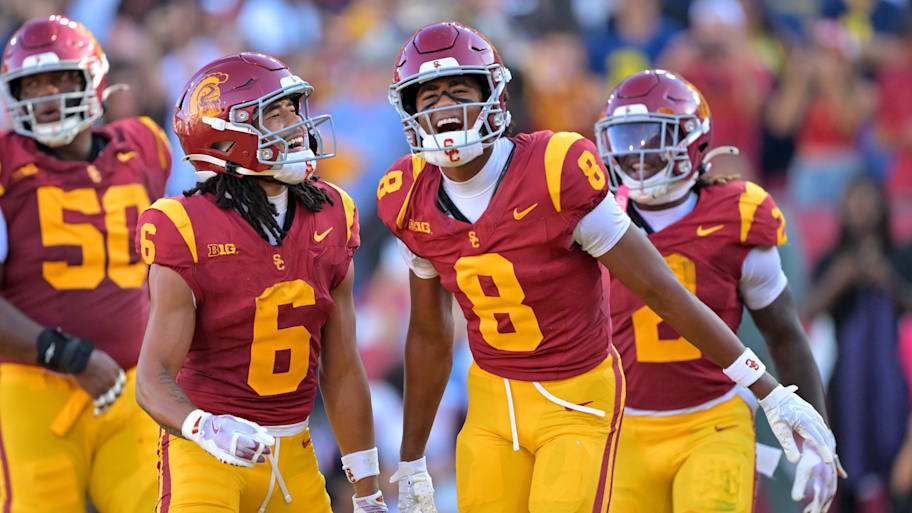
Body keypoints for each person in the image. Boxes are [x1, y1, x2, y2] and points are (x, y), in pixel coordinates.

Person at [376, 21, 840, 513]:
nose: (445, 111)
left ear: (495, 94)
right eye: (428, 98)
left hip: (583, 399)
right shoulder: (405, 195)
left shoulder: (557, 169)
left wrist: (769, 391)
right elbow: (428, 334)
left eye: (458, 92)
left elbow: (665, 293)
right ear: (408, 111)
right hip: (494, 403)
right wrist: (412, 458)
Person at [133, 52, 387, 513]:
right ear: (226, 139)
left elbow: (343, 369)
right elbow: (152, 377)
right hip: (207, 455)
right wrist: (203, 426)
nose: (295, 123)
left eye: (293, 108)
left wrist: (367, 488)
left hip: (296, 457)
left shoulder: (333, 213)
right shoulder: (183, 227)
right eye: (275, 112)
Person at [595, 69, 846, 513]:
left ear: (691, 138)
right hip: (621, 429)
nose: (637, 154)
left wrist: (815, 436)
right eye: (627, 138)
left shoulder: (739, 216)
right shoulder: (595, 218)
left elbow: (785, 335)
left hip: (711, 420)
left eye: (653, 136)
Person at [0, 15, 169, 513]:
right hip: (34, 392)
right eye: (32, 84)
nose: (47, 95)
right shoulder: (5, 164)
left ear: (92, 78)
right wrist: (66, 355)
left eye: (59, 79)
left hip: (135, 388)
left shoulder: (144, 145)